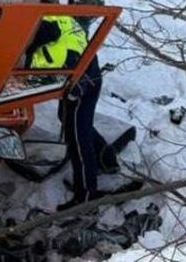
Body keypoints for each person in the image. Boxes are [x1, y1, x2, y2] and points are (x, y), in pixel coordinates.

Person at [26, 15, 118, 210]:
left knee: (77, 137)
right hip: (85, 75)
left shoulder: (46, 28)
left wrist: (77, 90)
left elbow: (71, 57)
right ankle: (107, 158)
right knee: (71, 121)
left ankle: (85, 195)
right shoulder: (58, 19)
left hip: (81, 82)